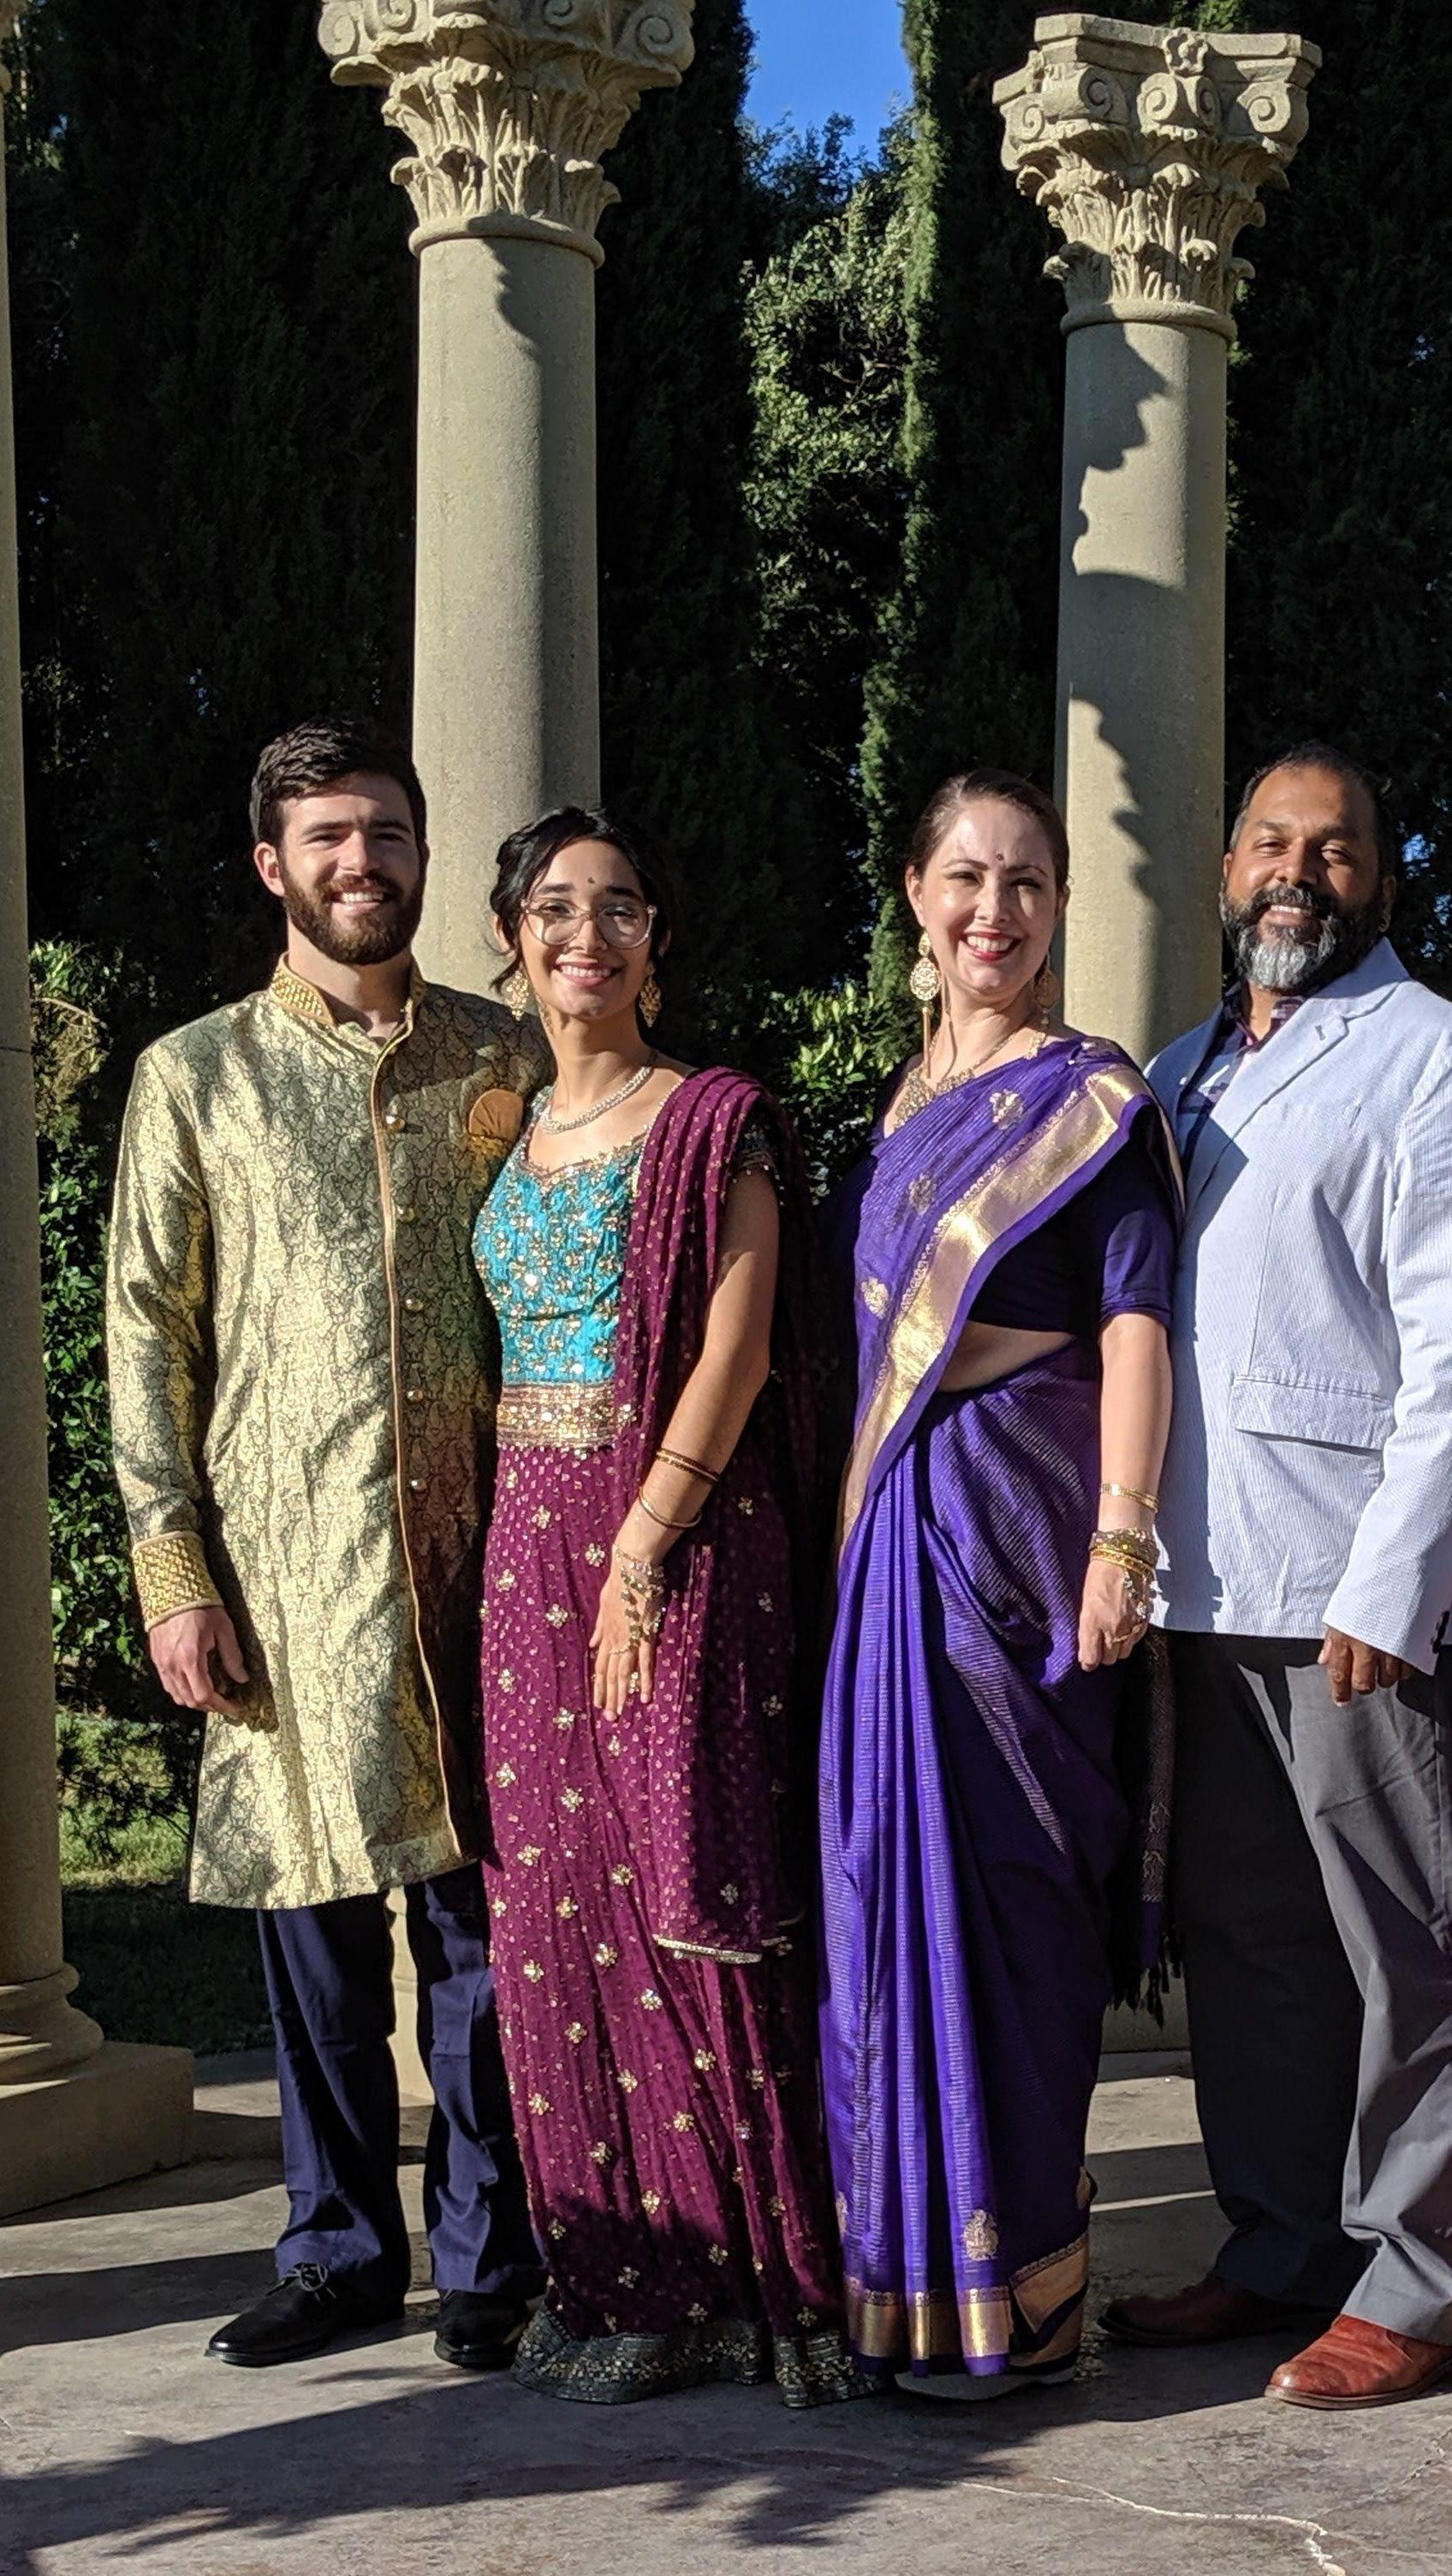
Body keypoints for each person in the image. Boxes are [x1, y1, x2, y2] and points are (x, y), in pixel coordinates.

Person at [1100, 743, 1452, 2410]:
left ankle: (1418, 2275)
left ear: (1381, 874)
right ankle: (1280, 2237)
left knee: (1403, 1944)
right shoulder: (1177, 1067)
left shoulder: (1440, 1057)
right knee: (1246, 1936)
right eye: (1270, 842)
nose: (1298, 871)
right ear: (1226, 870)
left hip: (1354, 1592)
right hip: (1203, 1581)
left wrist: (1395, 1580)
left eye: (1336, 847)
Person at [106, 717, 544, 2371]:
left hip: (484, 1566)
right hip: (285, 1577)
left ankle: (492, 2258)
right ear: (271, 867)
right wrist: (174, 1572)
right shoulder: (196, 1074)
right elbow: (147, 1333)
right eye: (329, 838)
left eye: (388, 832)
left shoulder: (509, 1056)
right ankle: (342, 2250)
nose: (363, 862)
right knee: (314, 1938)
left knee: (482, 1942)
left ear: (424, 853)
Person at [470, 806, 860, 2407]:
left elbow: (739, 1343)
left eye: (619, 907)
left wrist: (643, 1544)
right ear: (513, 938)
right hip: (524, 1545)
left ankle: (764, 2282)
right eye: (557, 908)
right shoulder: (505, 1134)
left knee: (693, 1879)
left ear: (658, 940)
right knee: (553, 1905)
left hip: (677, 1537)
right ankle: (625, 2278)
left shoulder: (714, 1120)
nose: (588, 934)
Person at [818, 770, 1179, 2399]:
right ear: (915, 894)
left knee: (1020, 1893)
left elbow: (1136, 1323)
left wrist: (1122, 1533)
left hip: (1026, 1528)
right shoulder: (894, 1111)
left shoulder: (1089, 1102)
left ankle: (1025, 2279)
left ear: (1059, 909)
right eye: (966, 876)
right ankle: (907, 2285)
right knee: (890, 1887)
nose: (995, 909)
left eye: (1027, 881)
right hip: (897, 1530)